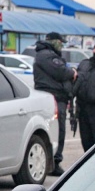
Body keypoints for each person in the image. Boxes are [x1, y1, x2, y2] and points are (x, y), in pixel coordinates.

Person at [32, 32, 77, 176]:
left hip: (57, 98)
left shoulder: (47, 54)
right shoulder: (46, 55)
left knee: (58, 130)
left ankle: (55, 160)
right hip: (53, 98)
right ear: (54, 41)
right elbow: (61, 72)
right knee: (58, 131)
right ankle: (55, 161)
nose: (62, 45)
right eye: (60, 42)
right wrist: (72, 73)